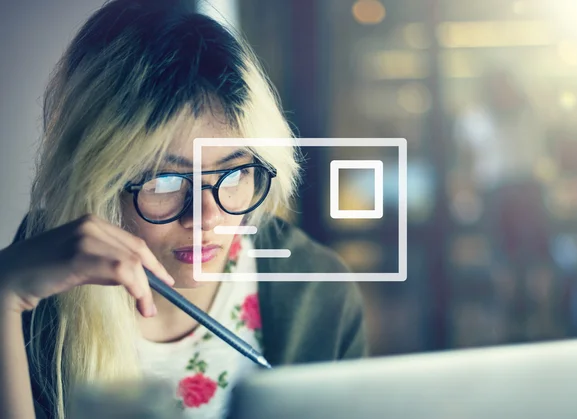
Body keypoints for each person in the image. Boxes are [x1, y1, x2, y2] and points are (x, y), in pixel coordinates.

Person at [0, 1, 366, 418]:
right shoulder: (37, 290)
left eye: (232, 175)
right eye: (164, 181)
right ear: (93, 181)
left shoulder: (317, 289)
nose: (207, 218)